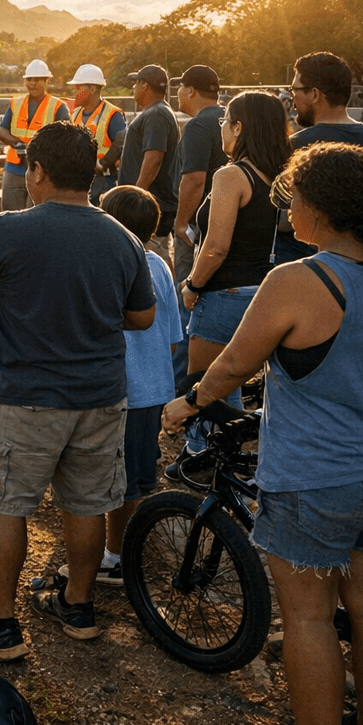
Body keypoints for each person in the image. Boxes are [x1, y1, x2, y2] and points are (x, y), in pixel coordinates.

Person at [161, 144, 363, 725]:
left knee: (306, 615)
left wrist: (186, 405)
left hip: (321, 473)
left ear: (322, 208)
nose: (287, 210)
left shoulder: (301, 280)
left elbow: (232, 364)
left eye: (293, 199)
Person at [0, 122, 156, 654]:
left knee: (5, 506)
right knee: (85, 505)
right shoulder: (121, 236)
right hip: (101, 396)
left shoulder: (11, 228)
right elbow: (143, 316)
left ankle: (0, 625)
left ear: (36, 171)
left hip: (23, 398)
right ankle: (77, 607)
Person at [69, 185, 183, 585]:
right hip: (154, 388)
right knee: (136, 472)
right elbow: (172, 336)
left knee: (117, 480)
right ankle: (121, 544)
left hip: (122, 391)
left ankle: (116, 557)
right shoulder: (159, 265)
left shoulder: (109, 264)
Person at [179, 92, 292, 458]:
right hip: (260, 292)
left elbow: (216, 247)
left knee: (203, 385)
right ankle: (231, 457)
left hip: (223, 293)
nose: (221, 128)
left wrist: (193, 284)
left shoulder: (232, 175)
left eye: (225, 121)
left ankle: (200, 459)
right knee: (231, 382)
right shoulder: (274, 176)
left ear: (239, 127)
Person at [275, 52, 363, 263]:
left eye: (295, 89)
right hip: (361, 264)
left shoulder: (296, 146)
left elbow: (281, 217)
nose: (293, 97)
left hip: (303, 265)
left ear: (314, 94)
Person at [172, 65, 229, 380]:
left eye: (180, 87)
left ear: (190, 90)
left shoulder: (197, 125)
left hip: (198, 226)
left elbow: (193, 179)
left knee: (187, 299)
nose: (178, 93)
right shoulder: (230, 118)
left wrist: (181, 225)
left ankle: (182, 380)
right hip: (226, 221)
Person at [117, 64, 181, 268]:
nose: (133, 88)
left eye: (136, 82)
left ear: (145, 85)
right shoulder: (158, 111)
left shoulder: (156, 114)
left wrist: (137, 195)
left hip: (148, 205)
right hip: (151, 202)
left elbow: (154, 157)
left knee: (154, 261)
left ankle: (165, 300)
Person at [0, 58, 69, 211]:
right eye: (29, 79)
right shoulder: (15, 103)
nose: (33, 83)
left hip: (43, 170)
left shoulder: (58, 107)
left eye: (37, 80)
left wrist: (36, 150)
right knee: (10, 213)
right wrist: (18, 144)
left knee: (35, 213)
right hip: (14, 167)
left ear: (47, 81)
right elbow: (1, 131)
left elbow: (64, 139)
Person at [66, 63, 125, 202]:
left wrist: (102, 163)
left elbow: (122, 139)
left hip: (103, 180)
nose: (75, 92)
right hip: (79, 180)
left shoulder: (112, 114)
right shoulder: (75, 114)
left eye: (78, 87)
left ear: (92, 89)